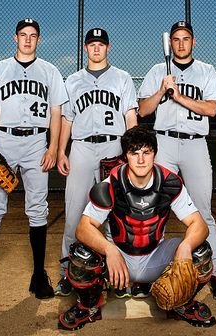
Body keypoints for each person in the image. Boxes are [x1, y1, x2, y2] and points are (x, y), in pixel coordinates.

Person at [58, 126, 216, 330]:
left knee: (200, 250)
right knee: (82, 254)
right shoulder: (111, 184)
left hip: (155, 259)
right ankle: (88, 306)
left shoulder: (169, 182)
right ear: (126, 156)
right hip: (119, 261)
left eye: (146, 152)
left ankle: (183, 303)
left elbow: (200, 225)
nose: (141, 160)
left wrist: (185, 247)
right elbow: (83, 228)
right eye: (134, 153)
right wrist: (110, 250)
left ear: (154, 154)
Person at [0, 18, 67, 302]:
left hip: (36, 142)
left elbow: (56, 113)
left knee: (38, 208)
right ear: (15, 38)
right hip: (5, 142)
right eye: (23, 35)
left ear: (39, 40)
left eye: (33, 35)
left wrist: (53, 147)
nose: (28, 40)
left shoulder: (50, 71)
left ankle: (38, 275)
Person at [137, 21, 216, 300]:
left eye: (185, 39)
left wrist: (177, 95)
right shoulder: (157, 71)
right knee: (156, 210)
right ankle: (148, 273)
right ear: (171, 44)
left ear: (194, 42)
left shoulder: (206, 71)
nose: (180, 43)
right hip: (163, 143)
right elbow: (143, 110)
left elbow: (212, 109)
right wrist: (161, 91)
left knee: (202, 211)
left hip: (195, 144)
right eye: (176, 39)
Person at [55, 28, 138, 296]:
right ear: (85, 48)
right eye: (92, 44)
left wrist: (131, 152)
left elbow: (130, 117)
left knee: (116, 214)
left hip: (114, 146)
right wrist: (60, 151)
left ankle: (118, 276)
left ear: (108, 47)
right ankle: (68, 272)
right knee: (74, 212)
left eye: (101, 44)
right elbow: (66, 120)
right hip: (80, 147)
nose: (96, 48)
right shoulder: (73, 81)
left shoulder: (122, 78)